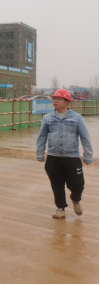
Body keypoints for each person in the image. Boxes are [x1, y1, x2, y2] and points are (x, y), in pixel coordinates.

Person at [37, 89, 94, 219]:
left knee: (78, 183)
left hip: (72, 157)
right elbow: (42, 137)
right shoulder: (47, 118)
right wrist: (40, 153)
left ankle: (76, 199)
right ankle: (60, 208)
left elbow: (85, 137)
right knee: (56, 184)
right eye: (54, 99)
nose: (55, 101)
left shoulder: (77, 118)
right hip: (53, 157)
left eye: (59, 99)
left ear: (67, 102)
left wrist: (88, 156)